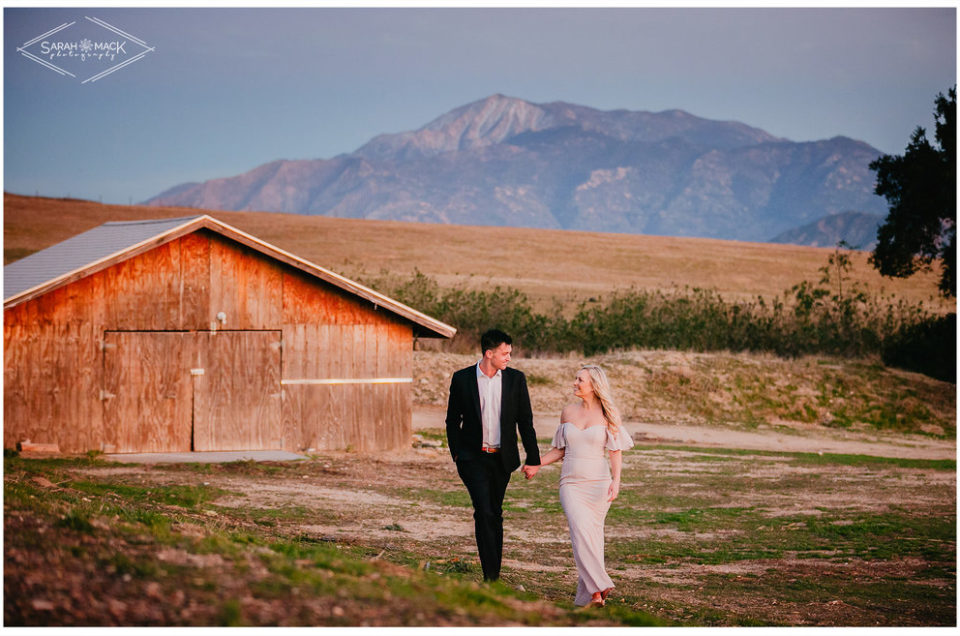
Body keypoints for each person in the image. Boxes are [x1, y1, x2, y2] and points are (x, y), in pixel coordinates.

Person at [522, 364, 633, 607]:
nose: (574, 383)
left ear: (594, 385)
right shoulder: (568, 412)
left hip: (599, 484)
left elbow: (615, 451)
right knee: (580, 531)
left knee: (591, 538)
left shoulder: (608, 413)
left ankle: (591, 597)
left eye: (580, 379)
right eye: (575, 378)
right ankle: (601, 584)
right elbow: (560, 449)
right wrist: (536, 464)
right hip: (571, 483)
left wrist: (616, 481)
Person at [445, 328, 541, 582]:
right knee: (484, 510)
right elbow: (452, 421)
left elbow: (525, 421)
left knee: (494, 513)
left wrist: (533, 458)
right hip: (472, 459)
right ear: (489, 353)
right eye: (505, 353)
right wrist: (457, 453)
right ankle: (490, 577)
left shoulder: (515, 380)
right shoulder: (462, 379)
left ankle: (493, 574)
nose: (509, 357)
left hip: (502, 459)